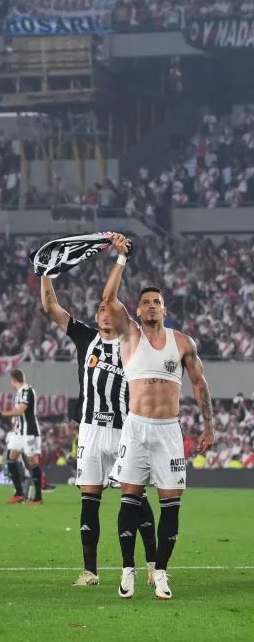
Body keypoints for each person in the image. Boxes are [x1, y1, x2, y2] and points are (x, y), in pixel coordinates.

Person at [102, 233, 215, 600]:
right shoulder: (129, 336)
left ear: (165, 309)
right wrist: (121, 260)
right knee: (129, 501)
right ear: (137, 310)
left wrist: (209, 425)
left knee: (171, 504)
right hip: (136, 428)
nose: (152, 306)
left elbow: (199, 385)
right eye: (146, 302)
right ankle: (127, 570)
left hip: (169, 429)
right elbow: (108, 300)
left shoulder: (181, 342)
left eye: (157, 302)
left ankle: (162, 572)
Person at [40, 273, 158, 588]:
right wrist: (46, 273)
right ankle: (90, 571)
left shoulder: (131, 342)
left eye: (111, 311)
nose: (106, 316)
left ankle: (152, 565)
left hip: (123, 431)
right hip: (91, 430)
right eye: (102, 311)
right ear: (96, 316)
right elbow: (51, 307)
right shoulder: (85, 337)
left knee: (137, 499)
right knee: (89, 499)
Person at [0, 369, 43, 505]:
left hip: (29, 432)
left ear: (12, 379)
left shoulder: (26, 391)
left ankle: (38, 497)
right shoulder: (20, 392)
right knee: (10, 459)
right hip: (19, 433)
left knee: (33, 463)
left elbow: (20, 411)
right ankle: (19, 493)